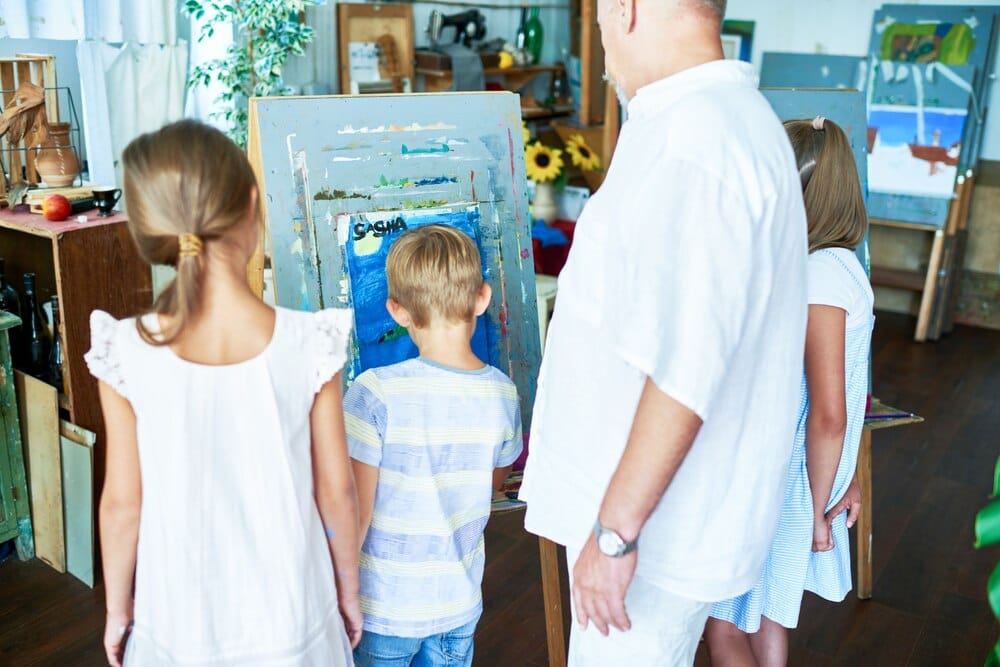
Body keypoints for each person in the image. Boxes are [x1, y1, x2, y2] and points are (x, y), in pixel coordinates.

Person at [518, 0, 810, 663]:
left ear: (624, 9)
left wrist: (615, 533)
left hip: (651, 533)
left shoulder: (696, 142)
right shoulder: (716, 122)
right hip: (654, 514)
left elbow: (687, 369)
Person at [87, 120, 362, 666]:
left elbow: (122, 506)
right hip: (295, 617)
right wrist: (348, 592)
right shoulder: (312, 345)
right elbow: (337, 493)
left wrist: (119, 612)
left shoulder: (125, 352)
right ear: (253, 207)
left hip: (177, 624)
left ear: (148, 231)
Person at [706, 116, 874, 666]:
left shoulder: (819, 277)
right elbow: (850, 387)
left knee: (724, 621)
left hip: (786, 481)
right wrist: (842, 482)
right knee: (763, 615)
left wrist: (820, 510)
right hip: (803, 479)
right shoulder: (840, 266)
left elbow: (829, 413)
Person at [343, 224, 523, 667]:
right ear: (481, 298)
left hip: (385, 608)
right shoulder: (502, 392)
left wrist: (337, 591)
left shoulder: (374, 392)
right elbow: (493, 486)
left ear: (397, 311)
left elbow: (355, 512)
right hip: (456, 604)